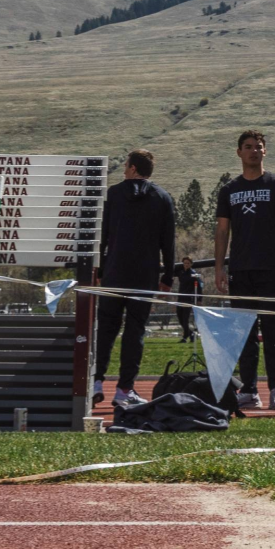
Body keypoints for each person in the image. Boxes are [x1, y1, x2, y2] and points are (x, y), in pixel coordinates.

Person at [214, 130, 275, 411]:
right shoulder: (229, 190)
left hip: (269, 270)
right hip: (239, 270)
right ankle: (249, 389)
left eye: (259, 147)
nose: (254, 151)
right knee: (244, 334)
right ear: (238, 152)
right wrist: (219, 268)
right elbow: (222, 230)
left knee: (274, 333)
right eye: (248, 147)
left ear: (265, 152)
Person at [94, 149, 176, 409]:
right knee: (135, 331)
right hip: (145, 275)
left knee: (106, 328)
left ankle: (96, 382)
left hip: (114, 273)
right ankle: (124, 389)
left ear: (132, 168)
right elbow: (168, 243)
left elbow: (102, 236)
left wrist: (99, 269)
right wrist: (168, 278)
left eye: (125, 165)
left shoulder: (113, 194)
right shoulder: (163, 198)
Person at [172, 255, 203, 342]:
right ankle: (190, 333)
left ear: (191, 264)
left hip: (188, 299)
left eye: (188, 263)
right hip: (180, 298)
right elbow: (171, 271)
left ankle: (185, 338)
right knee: (180, 318)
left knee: (185, 319)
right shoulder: (180, 272)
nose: (186, 265)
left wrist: (199, 299)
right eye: (185, 263)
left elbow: (200, 287)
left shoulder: (193, 274)